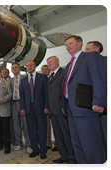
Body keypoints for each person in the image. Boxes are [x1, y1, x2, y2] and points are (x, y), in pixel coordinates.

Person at [62, 35, 106, 167]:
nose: (68, 46)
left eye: (71, 43)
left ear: (80, 43)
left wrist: (98, 101)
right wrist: (64, 105)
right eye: (66, 45)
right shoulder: (69, 64)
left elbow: (98, 79)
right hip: (71, 109)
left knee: (91, 144)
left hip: (85, 108)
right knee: (77, 143)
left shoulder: (90, 56)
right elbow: (67, 86)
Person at [46, 56, 77, 167]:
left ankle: (72, 159)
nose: (49, 64)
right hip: (53, 111)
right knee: (58, 136)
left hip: (61, 109)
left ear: (57, 62)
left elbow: (67, 90)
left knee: (66, 135)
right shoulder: (50, 77)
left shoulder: (64, 72)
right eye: (48, 63)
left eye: (51, 62)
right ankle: (63, 156)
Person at [85, 41, 109, 167]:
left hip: (105, 108)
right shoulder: (86, 64)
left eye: (88, 49)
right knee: (97, 139)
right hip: (91, 109)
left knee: (107, 137)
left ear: (97, 49)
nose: (85, 51)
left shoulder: (107, 62)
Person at [20, 60, 49, 159]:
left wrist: (46, 106)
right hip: (28, 109)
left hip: (40, 108)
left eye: (31, 65)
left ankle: (43, 150)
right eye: (27, 66)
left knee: (42, 130)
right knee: (31, 130)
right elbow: (22, 96)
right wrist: (22, 108)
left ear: (35, 66)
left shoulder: (43, 77)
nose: (29, 67)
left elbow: (46, 93)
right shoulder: (23, 80)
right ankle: (35, 149)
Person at [10, 63, 31, 153]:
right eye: (12, 68)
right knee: (16, 125)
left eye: (16, 67)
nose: (14, 69)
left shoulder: (25, 78)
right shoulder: (9, 81)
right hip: (14, 104)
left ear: (19, 69)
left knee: (26, 125)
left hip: (23, 104)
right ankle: (19, 144)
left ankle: (28, 144)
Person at [41, 65, 58, 152]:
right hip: (45, 106)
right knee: (46, 126)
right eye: (43, 69)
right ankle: (48, 143)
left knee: (55, 125)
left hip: (54, 105)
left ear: (49, 70)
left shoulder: (52, 79)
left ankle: (57, 144)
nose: (44, 71)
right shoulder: (40, 81)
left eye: (46, 69)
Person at [2, 68, 16, 146]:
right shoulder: (0, 82)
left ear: (8, 73)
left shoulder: (11, 81)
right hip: (2, 106)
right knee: (5, 124)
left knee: (12, 123)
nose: (4, 73)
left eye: (5, 72)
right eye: (3, 72)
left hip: (11, 104)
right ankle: (5, 138)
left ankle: (13, 139)